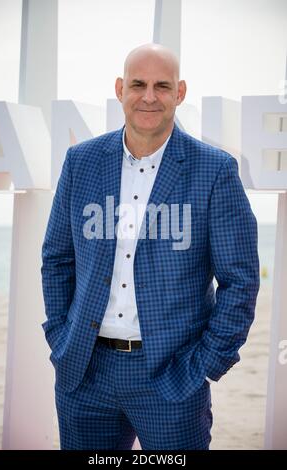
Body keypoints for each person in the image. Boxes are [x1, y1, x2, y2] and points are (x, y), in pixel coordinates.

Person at [41, 43, 260, 450]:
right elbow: (56, 258)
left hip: (171, 378)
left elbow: (240, 280)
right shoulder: (81, 161)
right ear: (121, 89)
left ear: (179, 92)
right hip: (84, 372)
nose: (149, 96)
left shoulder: (214, 171)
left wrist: (207, 365)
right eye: (138, 84)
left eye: (162, 86)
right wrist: (60, 334)